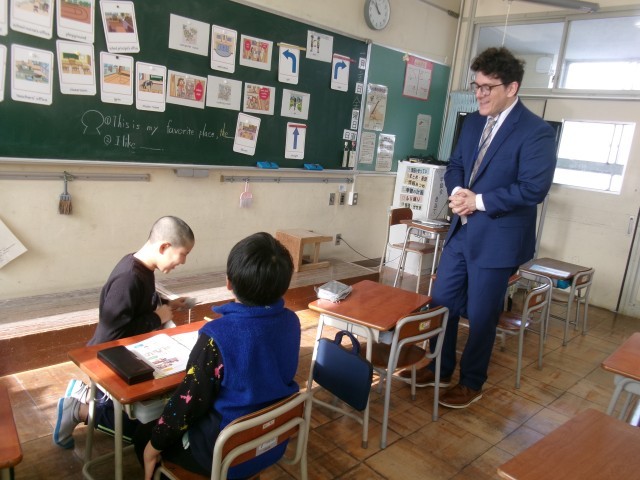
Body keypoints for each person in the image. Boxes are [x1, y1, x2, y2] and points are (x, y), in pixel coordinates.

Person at [401, 47, 557, 408]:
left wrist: (478, 201)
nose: (480, 94)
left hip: (498, 239)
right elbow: (455, 164)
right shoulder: (472, 122)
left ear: (512, 88)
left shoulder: (536, 132)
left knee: (483, 314)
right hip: (462, 231)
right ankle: (439, 368)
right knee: (442, 302)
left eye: (488, 87)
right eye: (477, 86)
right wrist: (458, 191)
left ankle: (471, 382)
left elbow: (533, 188)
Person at [134, 232, 300, 480]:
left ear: (229, 283)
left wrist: (153, 446)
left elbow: (187, 405)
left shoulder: (217, 337)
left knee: (144, 435)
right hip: (271, 442)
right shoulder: (291, 322)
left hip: (225, 456)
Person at [53, 216, 195, 449]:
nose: (183, 261)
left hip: (127, 354)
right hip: (107, 359)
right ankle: (77, 409)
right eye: (183, 254)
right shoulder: (128, 276)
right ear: (164, 247)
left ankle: (86, 394)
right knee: (140, 433)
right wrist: (157, 318)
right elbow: (114, 331)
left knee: (153, 414)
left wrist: (167, 304)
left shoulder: (143, 268)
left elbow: (139, 304)